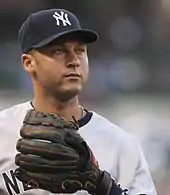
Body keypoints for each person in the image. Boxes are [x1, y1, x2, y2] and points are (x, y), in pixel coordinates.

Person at [0, 8, 157, 195]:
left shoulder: (122, 145)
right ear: (28, 62)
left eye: (80, 50)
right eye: (59, 50)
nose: (74, 60)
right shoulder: (2, 132)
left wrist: (102, 185)